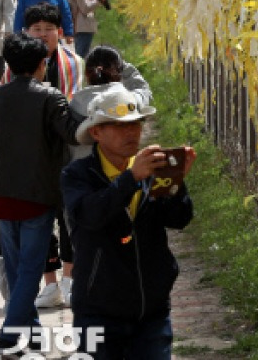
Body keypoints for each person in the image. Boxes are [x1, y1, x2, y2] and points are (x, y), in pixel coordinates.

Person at [62, 85, 195, 359]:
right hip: (98, 311)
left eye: (136, 124)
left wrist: (175, 183)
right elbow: (90, 215)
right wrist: (130, 179)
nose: (131, 132)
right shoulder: (77, 175)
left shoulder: (151, 169)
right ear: (96, 132)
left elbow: (179, 219)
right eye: (120, 126)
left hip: (152, 310)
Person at [0, 2, 83, 309]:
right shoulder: (11, 77)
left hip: (62, 161)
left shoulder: (74, 65)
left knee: (67, 221)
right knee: (34, 245)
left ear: (59, 33)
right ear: (27, 32)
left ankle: (68, 280)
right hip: (31, 171)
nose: (44, 35)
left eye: (50, 29)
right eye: (38, 29)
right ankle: (47, 288)